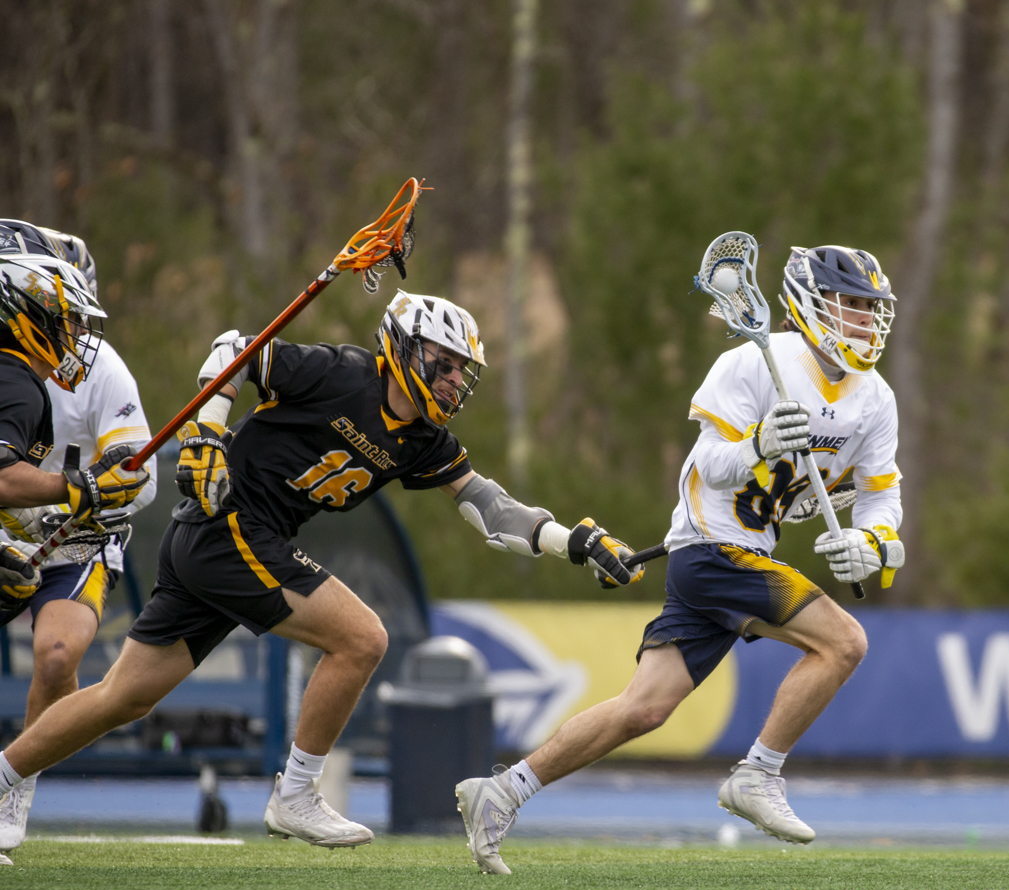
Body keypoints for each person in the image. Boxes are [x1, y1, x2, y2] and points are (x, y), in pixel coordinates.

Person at [0, 290, 643, 849]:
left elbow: (490, 508)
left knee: (123, 698)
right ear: (404, 346)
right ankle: (297, 793)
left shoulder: (421, 439)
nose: (453, 380)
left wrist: (575, 541)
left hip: (223, 542)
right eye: (443, 363)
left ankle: (3, 777)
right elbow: (233, 351)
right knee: (362, 638)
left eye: (460, 371)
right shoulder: (341, 373)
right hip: (228, 526)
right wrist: (206, 432)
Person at [457, 245, 905, 874]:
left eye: (870, 307)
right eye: (851, 303)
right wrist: (758, 444)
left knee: (642, 708)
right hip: (713, 549)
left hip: (743, 553)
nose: (864, 318)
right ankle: (758, 774)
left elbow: (881, 493)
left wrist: (871, 542)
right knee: (844, 643)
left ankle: (502, 792)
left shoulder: (875, 398)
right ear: (812, 302)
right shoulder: (754, 362)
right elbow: (711, 466)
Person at [0, 223, 157, 854]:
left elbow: (139, 479)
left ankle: (14, 783)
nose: (76, 335)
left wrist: (97, 495)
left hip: (74, 539)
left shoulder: (102, 370)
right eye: (65, 315)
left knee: (57, 658)